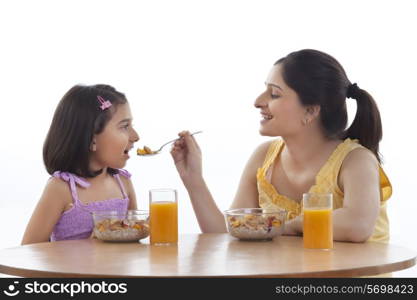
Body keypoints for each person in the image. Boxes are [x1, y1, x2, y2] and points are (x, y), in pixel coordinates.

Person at [171, 49, 392, 243]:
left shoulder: (356, 160)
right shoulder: (264, 157)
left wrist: (289, 226)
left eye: (274, 93)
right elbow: (229, 234)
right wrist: (193, 180)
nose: (258, 101)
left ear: (311, 111)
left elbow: (358, 225)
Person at [21, 84, 140, 244]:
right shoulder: (61, 189)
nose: (136, 136)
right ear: (92, 138)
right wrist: (89, 246)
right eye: (125, 126)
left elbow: (133, 242)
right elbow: (29, 252)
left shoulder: (123, 184)